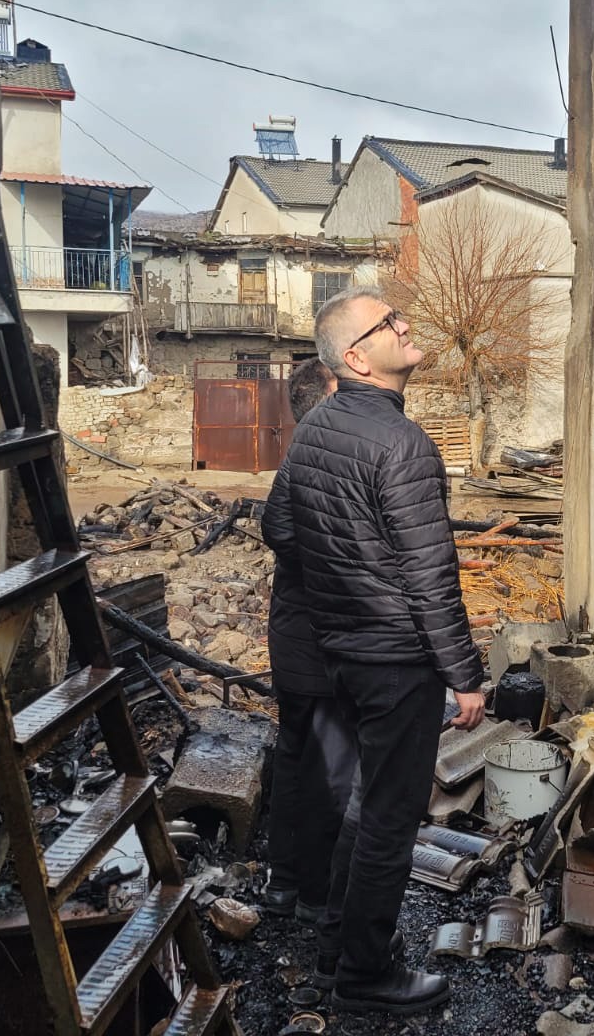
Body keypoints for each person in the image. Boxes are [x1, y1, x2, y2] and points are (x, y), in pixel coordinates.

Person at [263, 286, 486, 1016]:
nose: (407, 323)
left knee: (362, 805)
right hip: (395, 661)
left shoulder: (316, 428)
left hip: (342, 652)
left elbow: (283, 530)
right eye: (390, 322)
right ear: (357, 357)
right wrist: (465, 675)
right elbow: (430, 577)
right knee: (389, 818)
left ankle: (336, 944)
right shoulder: (403, 444)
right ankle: (364, 974)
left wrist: (344, 585)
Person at [262, 357, 345, 925]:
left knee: (295, 754)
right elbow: (282, 530)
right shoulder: (321, 456)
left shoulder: (297, 456)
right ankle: (313, 893)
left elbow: (278, 530)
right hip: (319, 643)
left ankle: (282, 881)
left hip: (293, 635)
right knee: (324, 766)